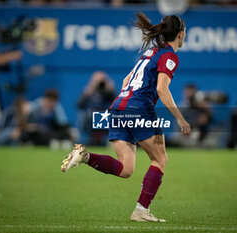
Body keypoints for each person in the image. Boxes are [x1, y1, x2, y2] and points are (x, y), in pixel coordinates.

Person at [61, 13, 190, 222]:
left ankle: (85, 156)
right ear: (181, 34)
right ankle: (141, 211)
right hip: (139, 108)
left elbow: (126, 80)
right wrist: (180, 118)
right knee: (160, 159)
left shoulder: (150, 52)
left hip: (118, 107)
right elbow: (162, 88)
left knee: (126, 169)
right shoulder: (169, 56)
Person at [77, 71, 116, 145]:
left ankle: (108, 139)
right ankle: (93, 139)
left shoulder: (107, 91)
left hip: (104, 114)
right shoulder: (88, 91)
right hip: (90, 116)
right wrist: (87, 93)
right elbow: (79, 105)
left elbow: (114, 103)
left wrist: (111, 90)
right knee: (88, 114)